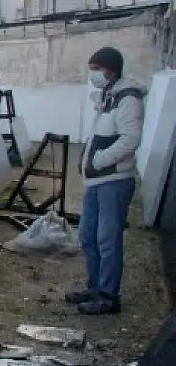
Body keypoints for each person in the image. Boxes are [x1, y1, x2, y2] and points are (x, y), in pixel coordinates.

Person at [66, 46, 146, 315]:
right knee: (88, 236)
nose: (94, 75)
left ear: (111, 70)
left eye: (97, 69)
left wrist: (98, 161)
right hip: (96, 182)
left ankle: (109, 295)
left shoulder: (128, 99)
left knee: (107, 240)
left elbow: (130, 140)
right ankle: (95, 287)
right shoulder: (108, 97)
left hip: (114, 180)